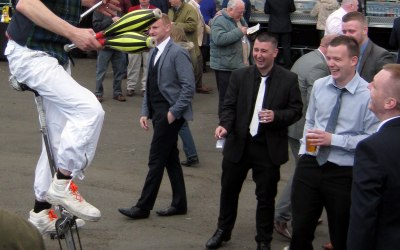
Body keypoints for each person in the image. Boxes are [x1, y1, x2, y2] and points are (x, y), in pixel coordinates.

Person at [5, 0, 119, 234]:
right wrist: (74, 32)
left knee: (59, 139)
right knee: (89, 110)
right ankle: (63, 184)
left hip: (53, 57)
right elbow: (26, 3)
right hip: (31, 55)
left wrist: (91, 2)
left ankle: (41, 211)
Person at [205, 32, 303, 250]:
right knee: (229, 191)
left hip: (267, 148)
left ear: (275, 53)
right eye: (256, 50)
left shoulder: (288, 79)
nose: (258, 55)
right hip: (239, 143)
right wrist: (225, 125)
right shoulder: (240, 76)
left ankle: (263, 240)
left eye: (263, 52)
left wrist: (277, 116)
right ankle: (223, 230)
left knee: (266, 198)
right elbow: (228, 106)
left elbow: (296, 110)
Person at [289, 35, 379, 250]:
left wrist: (334, 140)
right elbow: (310, 120)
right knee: (300, 230)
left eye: (337, 59)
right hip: (310, 164)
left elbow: (371, 139)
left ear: (353, 61)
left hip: (344, 173)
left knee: (342, 234)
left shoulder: (367, 95)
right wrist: (304, 153)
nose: (331, 63)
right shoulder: (320, 85)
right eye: (329, 58)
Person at [118, 14, 195, 219]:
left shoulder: (178, 53)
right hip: (157, 112)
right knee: (170, 159)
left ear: (168, 28)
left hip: (169, 114)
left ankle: (143, 207)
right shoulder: (153, 51)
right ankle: (180, 204)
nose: (151, 32)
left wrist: (173, 113)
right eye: (150, 29)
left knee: (156, 159)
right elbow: (150, 84)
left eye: (155, 28)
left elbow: (189, 87)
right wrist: (145, 111)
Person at [274, 34, 337, 240]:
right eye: (335, 55)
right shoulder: (319, 67)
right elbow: (317, 104)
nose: (336, 60)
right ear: (327, 48)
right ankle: (281, 215)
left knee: (304, 171)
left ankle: (307, 210)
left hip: (295, 126)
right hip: (305, 130)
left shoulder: (307, 58)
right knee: (304, 173)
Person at [347, 64, 400, 250]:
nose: (368, 86)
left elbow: (363, 216)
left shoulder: (372, 149)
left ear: (389, 103)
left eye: (375, 85)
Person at [210, 0, 248, 118]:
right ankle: (224, 124)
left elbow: (243, 31)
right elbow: (219, 39)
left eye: (243, 12)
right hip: (225, 67)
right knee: (226, 99)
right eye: (239, 13)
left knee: (239, 97)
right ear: (230, 10)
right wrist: (239, 32)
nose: (242, 15)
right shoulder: (219, 21)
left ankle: (235, 121)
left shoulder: (238, 18)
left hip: (239, 64)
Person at [170, 25, 200, 167]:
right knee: (181, 124)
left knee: (180, 124)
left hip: (176, 93)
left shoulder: (178, 52)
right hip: (182, 92)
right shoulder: (188, 49)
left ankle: (191, 154)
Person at [168, 0, 210, 94]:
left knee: (191, 69)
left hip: (187, 45)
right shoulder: (171, 10)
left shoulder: (190, 9)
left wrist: (174, 24)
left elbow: (192, 26)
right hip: (175, 44)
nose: (169, 0)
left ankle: (189, 90)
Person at [342, 11, 395, 83]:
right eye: (344, 32)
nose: (347, 35)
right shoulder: (344, 52)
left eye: (351, 31)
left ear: (365, 30)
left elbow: (387, 88)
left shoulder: (381, 56)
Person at [93, 11, 127, 102]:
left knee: (119, 71)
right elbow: (96, 26)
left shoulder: (120, 11)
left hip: (118, 44)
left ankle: (117, 93)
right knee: (101, 71)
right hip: (104, 45)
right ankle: (98, 93)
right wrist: (111, 20)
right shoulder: (99, 10)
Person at [126, 0, 156, 97]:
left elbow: (157, 26)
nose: (143, 0)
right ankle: (130, 87)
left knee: (148, 65)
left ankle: (145, 88)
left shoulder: (154, 10)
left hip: (149, 41)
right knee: (132, 64)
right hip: (134, 41)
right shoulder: (132, 10)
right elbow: (128, 25)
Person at [264, 0, 296, 69]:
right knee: (286, 47)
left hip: (274, 26)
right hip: (285, 26)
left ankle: (273, 65)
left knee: (273, 47)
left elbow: (266, 11)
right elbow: (293, 9)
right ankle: (288, 66)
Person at [199, 0, 216, 71]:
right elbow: (213, 15)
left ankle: (200, 65)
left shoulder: (194, 2)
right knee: (205, 45)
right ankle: (203, 66)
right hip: (207, 25)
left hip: (199, 26)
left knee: (199, 44)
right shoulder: (211, 2)